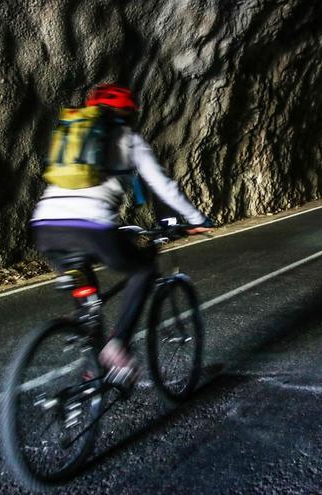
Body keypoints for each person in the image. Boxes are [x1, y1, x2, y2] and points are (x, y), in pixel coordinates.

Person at [30, 83, 213, 387]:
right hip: (91, 227)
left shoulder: (73, 138)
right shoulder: (129, 139)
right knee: (143, 269)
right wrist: (196, 219)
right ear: (129, 115)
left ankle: (94, 368)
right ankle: (116, 349)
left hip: (46, 226)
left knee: (87, 301)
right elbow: (163, 186)